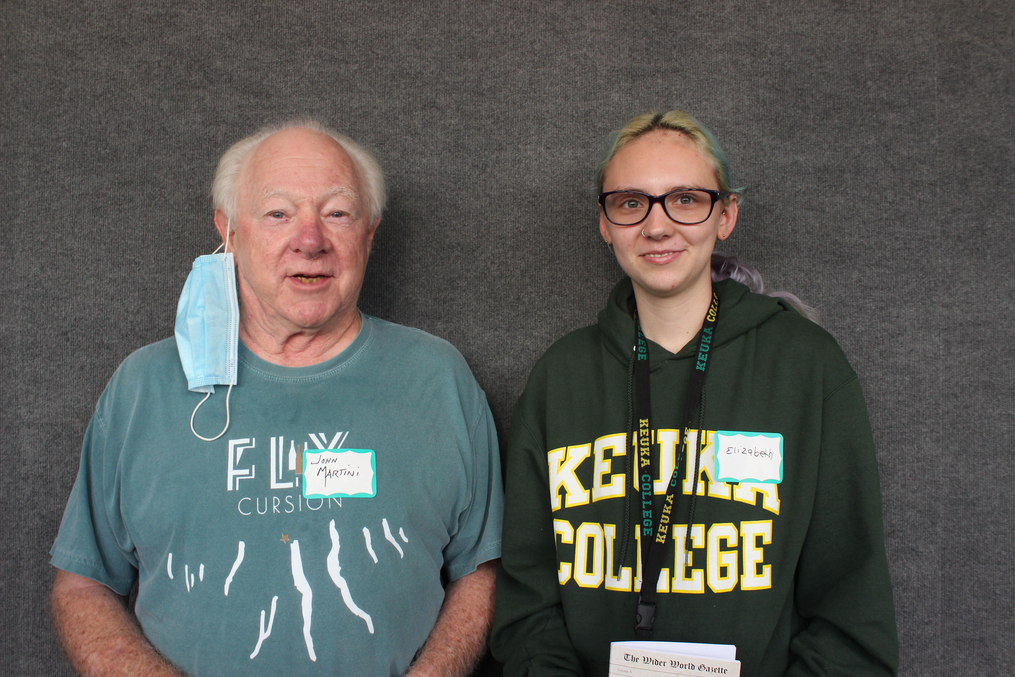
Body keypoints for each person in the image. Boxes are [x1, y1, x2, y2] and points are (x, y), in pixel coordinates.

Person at [50, 121, 503, 677]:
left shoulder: (438, 380)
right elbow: (82, 584)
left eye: (337, 213)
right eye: (278, 213)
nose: (309, 240)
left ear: (370, 234)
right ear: (230, 232)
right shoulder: (144, 387)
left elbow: (480, 570)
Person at [491, 110, 898, 676]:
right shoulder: (561, 378)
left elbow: (853, 607)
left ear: (726, 214)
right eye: (631, 202)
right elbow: (526, 605)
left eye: (685, 199)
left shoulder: (807, 368)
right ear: (604, 222)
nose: (657, 227)